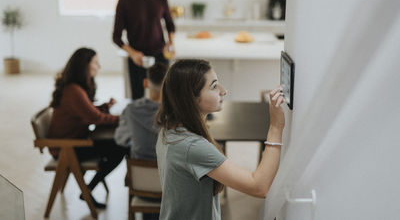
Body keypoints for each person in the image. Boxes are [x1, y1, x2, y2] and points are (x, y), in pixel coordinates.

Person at [155, 59, 285, 220]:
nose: (223, 91)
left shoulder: (168, 130)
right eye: (214, 86)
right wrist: (276, 127)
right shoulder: (192, 146)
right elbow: (259, 187)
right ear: (192, 98)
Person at [48, 48, 127, 209]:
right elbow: (96, 118)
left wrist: (105, 106)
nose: (99, 66)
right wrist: (125, 117)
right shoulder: (74, 91)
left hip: (73, 141)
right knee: (120, 148)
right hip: (67, 148)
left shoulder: (74, 87)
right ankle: (88, 190)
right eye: (96, 63)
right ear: (85, 66)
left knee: (116, 145)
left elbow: (87, 111)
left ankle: (88, 189)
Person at [112, 0, 175, 100]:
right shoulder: (124, 1)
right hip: (137, 57)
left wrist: (171, 43)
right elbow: (116, 37)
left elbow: (170, 24)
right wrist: (133, 54)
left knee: (165, 95)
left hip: (160, 54)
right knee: (137, 97)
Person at [114, 62, 168, 159]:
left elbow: (120, 139)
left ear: (145, 83)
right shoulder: (177, 112)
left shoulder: (130, 110)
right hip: (169, 172)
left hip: (139, 170)